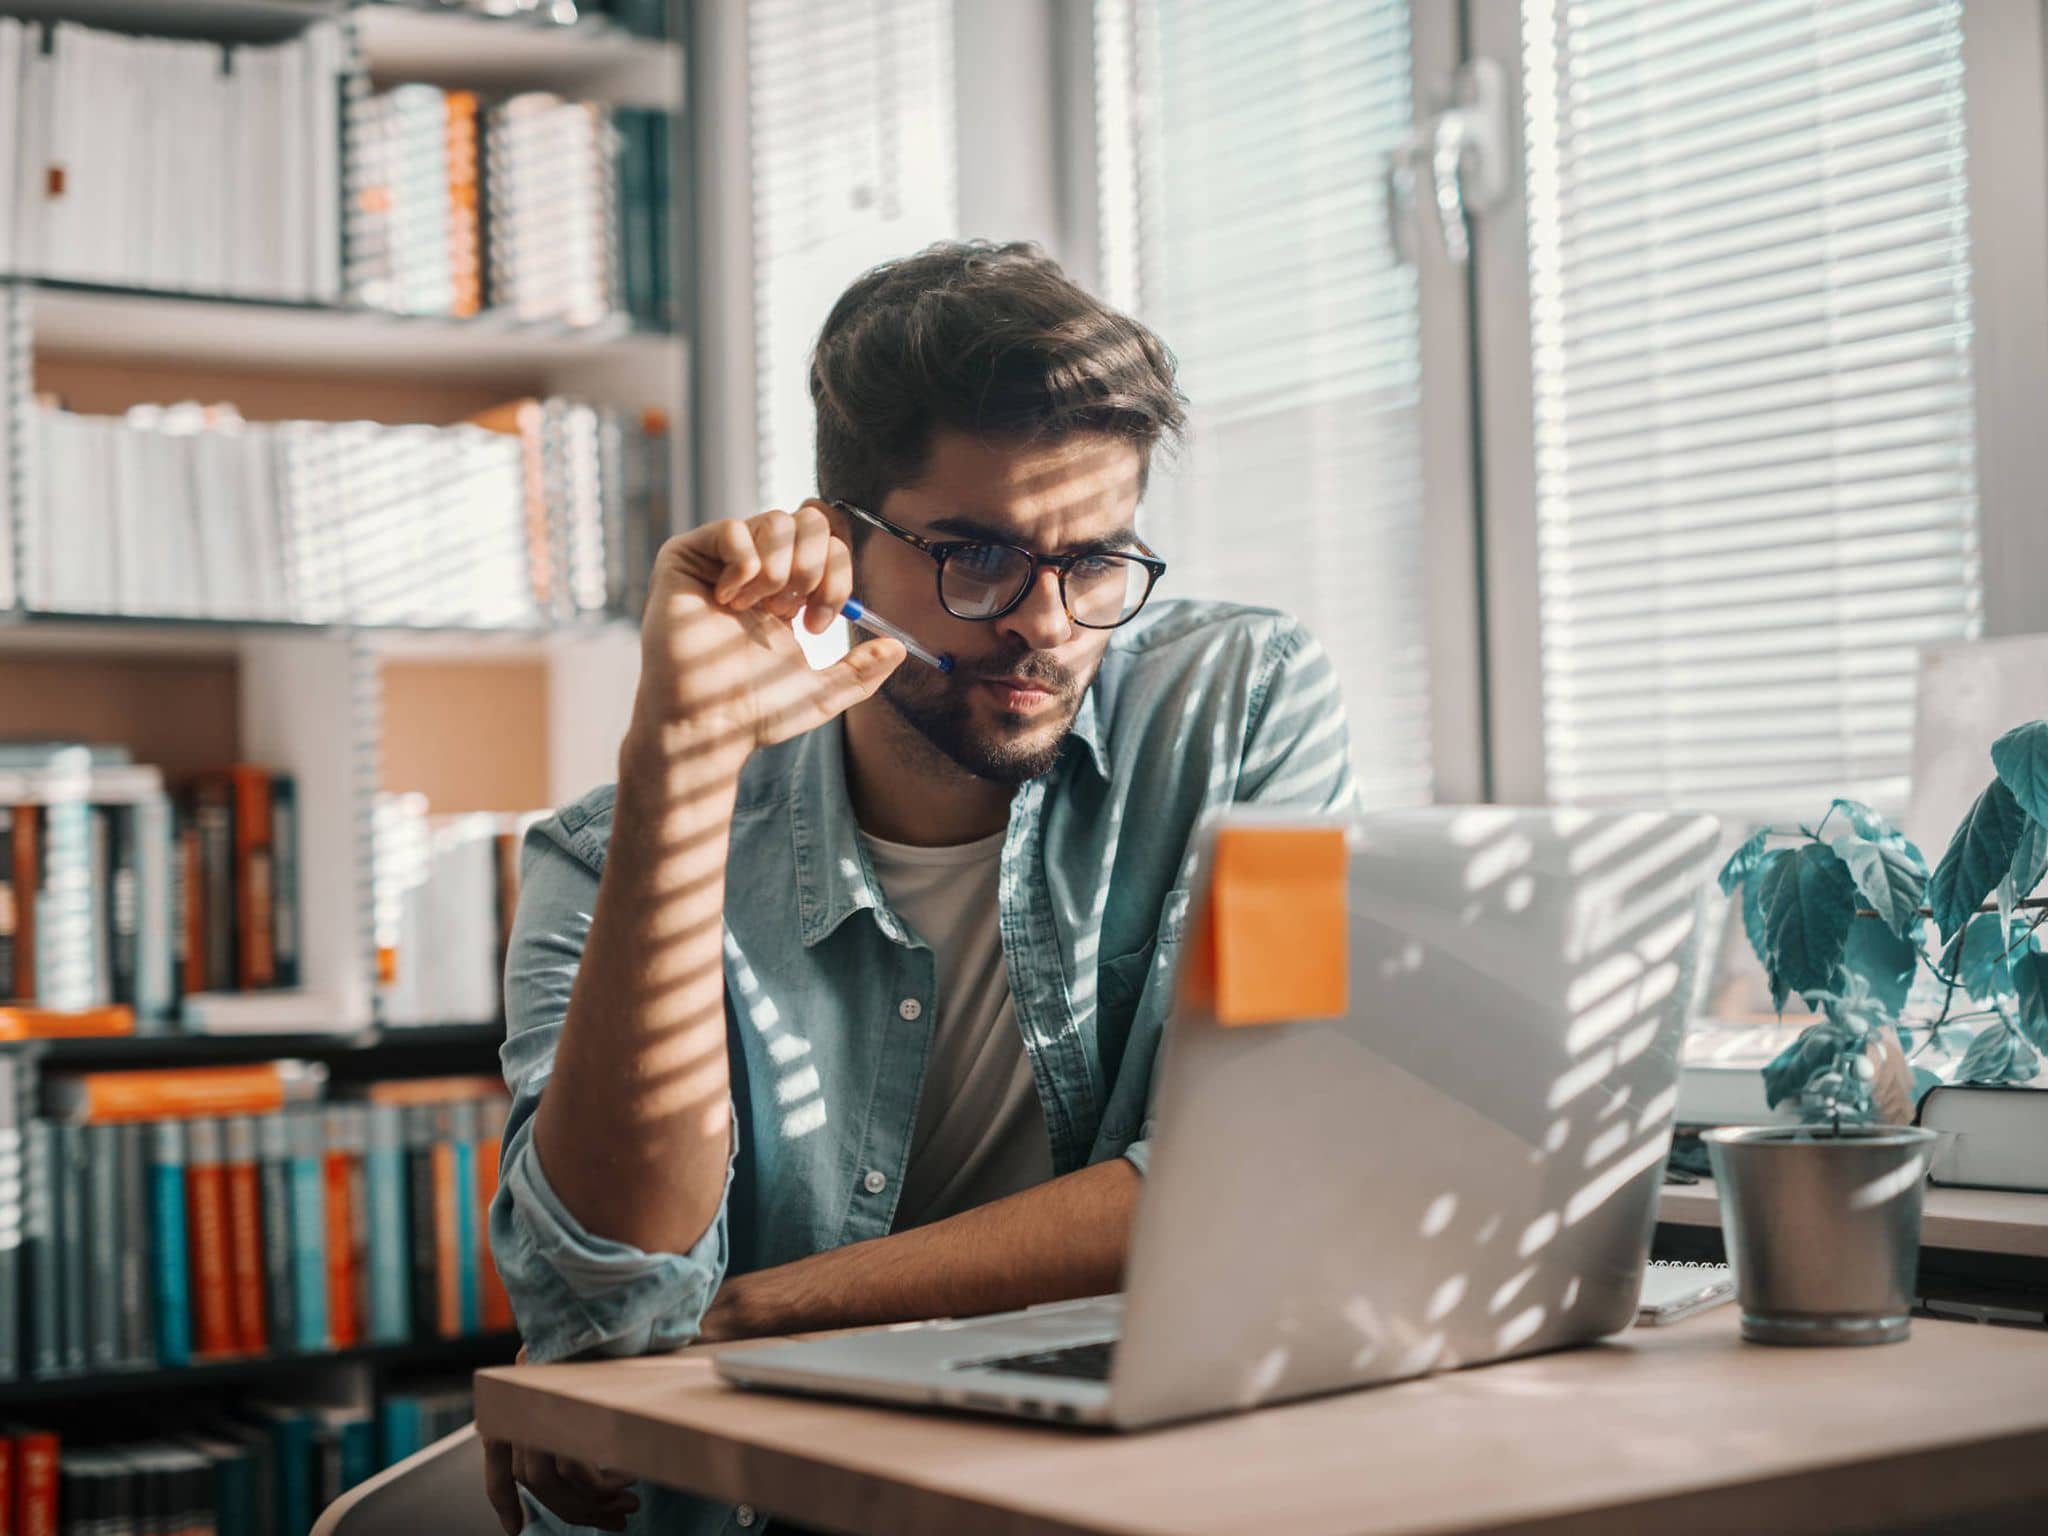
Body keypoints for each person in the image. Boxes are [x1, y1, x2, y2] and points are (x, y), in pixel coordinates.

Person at [482, 241, 1358, 1534]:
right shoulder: (603, 854)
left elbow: (1241, 1178)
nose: (1048, 625)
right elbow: (608, 1304)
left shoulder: (1243, 708)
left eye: (1096, 558)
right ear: (838, 548)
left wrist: (759, 1313)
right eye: (978, 558)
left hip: (1104, 1490)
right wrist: (681, 765)